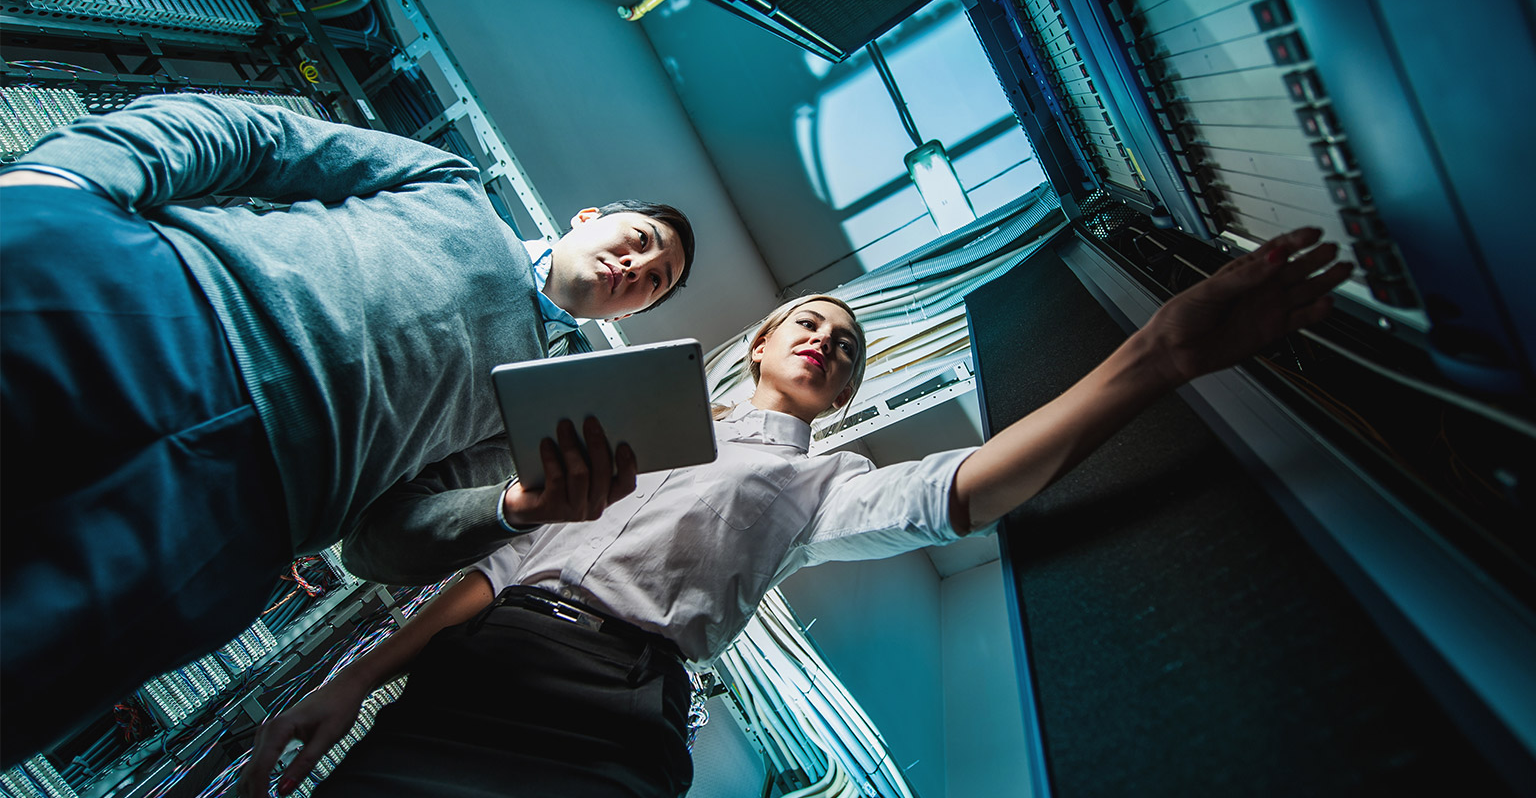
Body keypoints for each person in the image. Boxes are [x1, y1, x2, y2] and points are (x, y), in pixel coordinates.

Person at [235, 227, 1351, 798]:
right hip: (482, 669)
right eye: (810, 322)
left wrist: (1161, 356)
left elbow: (970, 488)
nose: (828, 337)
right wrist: (348, 681)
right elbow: (492, 572)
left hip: (617, 713)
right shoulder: (620, 410)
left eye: (847, 345)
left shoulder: (826, 482)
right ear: (762, 341)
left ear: (849, 391)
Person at [0, 93, 696, 765]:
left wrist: (511, 509)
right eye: (641, 241)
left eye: (654, 282)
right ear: (587, 218)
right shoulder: (453, 188)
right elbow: (260, 139)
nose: (635, 267)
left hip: (231, 518)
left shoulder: (537, 411)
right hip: (156, 305)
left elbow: (376, 545)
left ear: (631, 317)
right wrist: (67, 179)